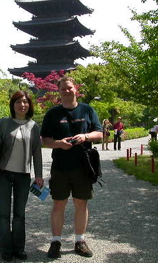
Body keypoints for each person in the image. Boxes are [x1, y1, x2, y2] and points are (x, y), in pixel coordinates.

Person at [41, 76, 103, 259]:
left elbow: (99, 133)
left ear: (75, 89)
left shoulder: (87, 110)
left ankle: (79, 241)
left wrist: (85, 137)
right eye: (63, 89)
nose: (67, 91)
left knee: (81, 203)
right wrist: (59, 143)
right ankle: (56, 241)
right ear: (58, 91)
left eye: (69, 88)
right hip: (60, 166)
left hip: (83, 166)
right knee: (58, 203)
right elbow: (44, 140)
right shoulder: (53, 114)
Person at [0, 91, 44, 262]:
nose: (22, 105)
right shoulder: (3, 122)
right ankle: (5, 250)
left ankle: (19, 248)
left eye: (25, 102)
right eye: (18, 102)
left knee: (19, 214)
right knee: (3, 213)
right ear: (13, 104)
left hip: (23, 176)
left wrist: (38, 175)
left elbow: (37, 153)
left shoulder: (34, 126)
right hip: (3, 174)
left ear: (29, 105)